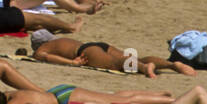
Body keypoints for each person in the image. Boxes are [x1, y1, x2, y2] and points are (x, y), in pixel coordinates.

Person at [30, 33, 195, 78]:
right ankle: (172, 65)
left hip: (85, 52)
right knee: (136, 58)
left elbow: (45, 57)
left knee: (116, 64)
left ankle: (145, 68)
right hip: (95, 44)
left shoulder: (41, 49)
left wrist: (71, 63)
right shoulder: (60, 40)